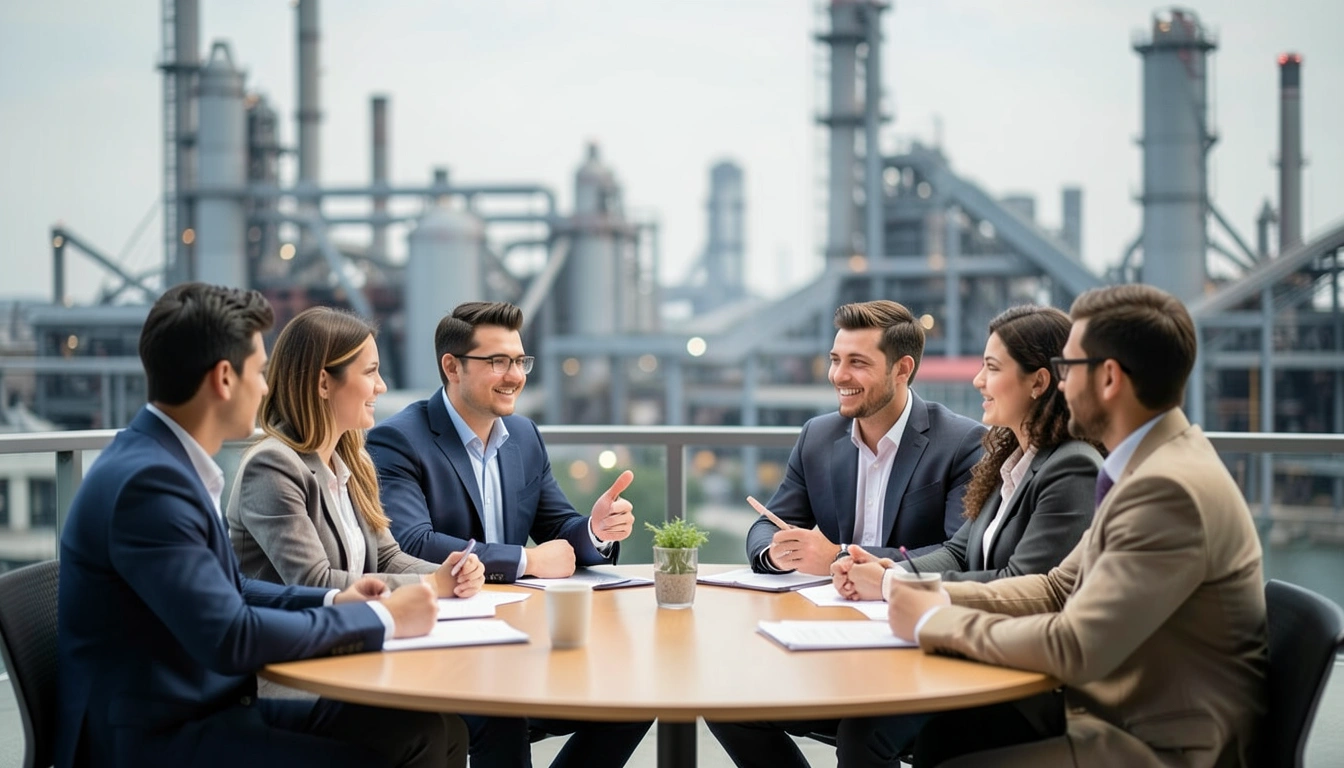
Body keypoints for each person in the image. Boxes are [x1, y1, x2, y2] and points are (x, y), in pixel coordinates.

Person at [56, 283, 467, 768]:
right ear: (224, 379)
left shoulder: (165, 464)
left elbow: (235, 589)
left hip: (201, 707)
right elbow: (230, 636)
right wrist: (381, 618)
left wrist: (337, 599)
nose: (268, 388)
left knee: (426, 728)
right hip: (156, 736)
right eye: (259, 371)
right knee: (373, 755)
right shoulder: (150, 485)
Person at [887, 284, 1267, 767]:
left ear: (1108, 378)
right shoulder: (1144, 466)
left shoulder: (1167, 491)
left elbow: (1074, 645)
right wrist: (934, 596)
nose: (1060, 385)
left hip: (1160, 746)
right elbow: (1053, 588)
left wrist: (932, 622)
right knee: (946, 737)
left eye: (1067, 368)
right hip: (1114, 712)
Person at [711, 305, 1102, 768]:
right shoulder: (1011, 458)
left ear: (903, 370)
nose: (978, 381)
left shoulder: (1040, 459)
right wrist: (861, 567)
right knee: (730, 701)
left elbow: (1021, 583)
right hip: (894, 633)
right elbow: (962, 551)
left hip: (994, 661)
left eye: (991, 368)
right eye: (835, 359)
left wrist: (879, 576)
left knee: (864, 735)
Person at [366, 300, 651, 768]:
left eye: (520, 361)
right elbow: (411, 543)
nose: (515, 375)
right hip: (447, 644)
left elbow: (559, 527)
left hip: (521, 635)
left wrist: (595, 530)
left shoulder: (522, 435)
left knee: (633, 695)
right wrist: (527, 561)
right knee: (503, 719)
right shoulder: (400, 439)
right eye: (497, 361)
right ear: (451, 366)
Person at [228, 306, 486, 600]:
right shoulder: (272, 466)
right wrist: (430, 585)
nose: (382, 386)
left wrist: (450, 573)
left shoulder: (354, 462)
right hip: (291, 640)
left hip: (349, 629)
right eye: (370, 372)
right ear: (324, 383)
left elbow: (387, 557)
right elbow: (313, 581)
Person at [742, 299, 986, 578]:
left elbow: (961, 554)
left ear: (902, 369)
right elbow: (767, 526)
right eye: (835, 360)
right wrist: (777, 553)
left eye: (857, 362)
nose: (838, 376)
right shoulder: (817, 437)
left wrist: (841, 556)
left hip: (912, 607)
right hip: (830, 608)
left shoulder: (962, 443)